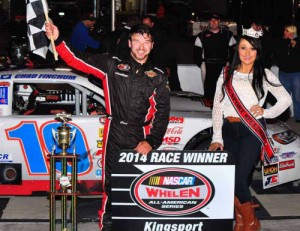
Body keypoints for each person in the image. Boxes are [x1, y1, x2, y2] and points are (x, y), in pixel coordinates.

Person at [45, 23, 170, 231]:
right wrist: (58, 40)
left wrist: (151, 140)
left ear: (152, 45)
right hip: (115, 131)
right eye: (137, 41)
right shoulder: (113, 63)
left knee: (139, 186)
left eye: (146, 42)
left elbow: (162, 112)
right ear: (129, 43)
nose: (141, 47)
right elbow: (77, 59)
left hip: (141, 135)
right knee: (111, 186)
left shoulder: (158, 75)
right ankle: (107, 226)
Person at [209, 31, 292, 231]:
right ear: (237, 49)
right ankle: (241, 220)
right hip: (229, 131)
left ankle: (252, 221)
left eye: (252, 48)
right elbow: (218, 106)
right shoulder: (226, 72)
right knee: (233, 180)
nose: (248, 53)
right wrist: (217, 136)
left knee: (239, 178)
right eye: (244, 47)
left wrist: (266, 112)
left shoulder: (264, 74)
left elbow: (285, 100)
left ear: (258, 51)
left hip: (250, 131)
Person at [193, 13, 236, 102]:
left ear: (219, 21)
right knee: (209, 90)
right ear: (209, 22)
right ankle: (209, 109)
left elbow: (234, 51)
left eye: (215, 20)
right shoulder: (201, 35)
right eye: (211, 20)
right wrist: (201, 64)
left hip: (223, 66)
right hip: (208, 66)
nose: (213, 22)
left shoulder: (228, 34)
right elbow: (196, 53)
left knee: (223, 89)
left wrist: (230, 64)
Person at [142, 15, 182, 91]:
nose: (145, 26)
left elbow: (159, 51)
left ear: (152, 24)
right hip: (165, 61)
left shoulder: (155, 34)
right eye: (143, 24)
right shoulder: (153, 33)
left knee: (170, 83)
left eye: (147, 24)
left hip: (166, 61)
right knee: (172, 82)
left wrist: (165, 66)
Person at [271, 24, 300, 123]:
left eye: (287, 31)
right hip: (283, 72)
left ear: (292, 32)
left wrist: (295, 46)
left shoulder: (298, 41)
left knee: (297, 96)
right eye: (284, 30)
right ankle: (284, 116)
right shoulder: (280, 41)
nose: (284, 32)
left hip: (296, 73)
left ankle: (298, 117)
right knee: (284, 96)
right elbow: (276, 52)